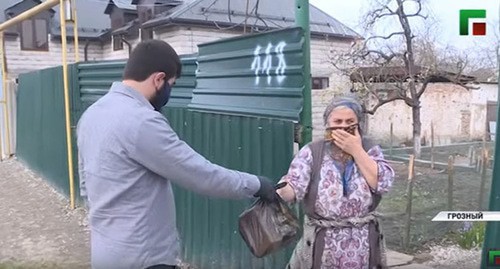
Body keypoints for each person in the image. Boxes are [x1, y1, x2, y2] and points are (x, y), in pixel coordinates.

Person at [76, 40, 278, 269]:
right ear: (158, 79)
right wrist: (256, 184)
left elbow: (86, 184)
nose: (169, 91)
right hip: (144, 259)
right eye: (171, 84)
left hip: (105, 254)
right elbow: (201, 175)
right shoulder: (142, 121)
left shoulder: (91, 115)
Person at [277, 96, 395, 269]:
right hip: (324, 243)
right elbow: (294, 186)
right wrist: (280, 191)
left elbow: (383, 183)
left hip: (364, 243)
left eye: (350, 121)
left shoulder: (369, 149)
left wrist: (355, 149)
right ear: (327, 123)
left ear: (358, 124)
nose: (343, 126)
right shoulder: (312, 151)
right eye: (337, 121)